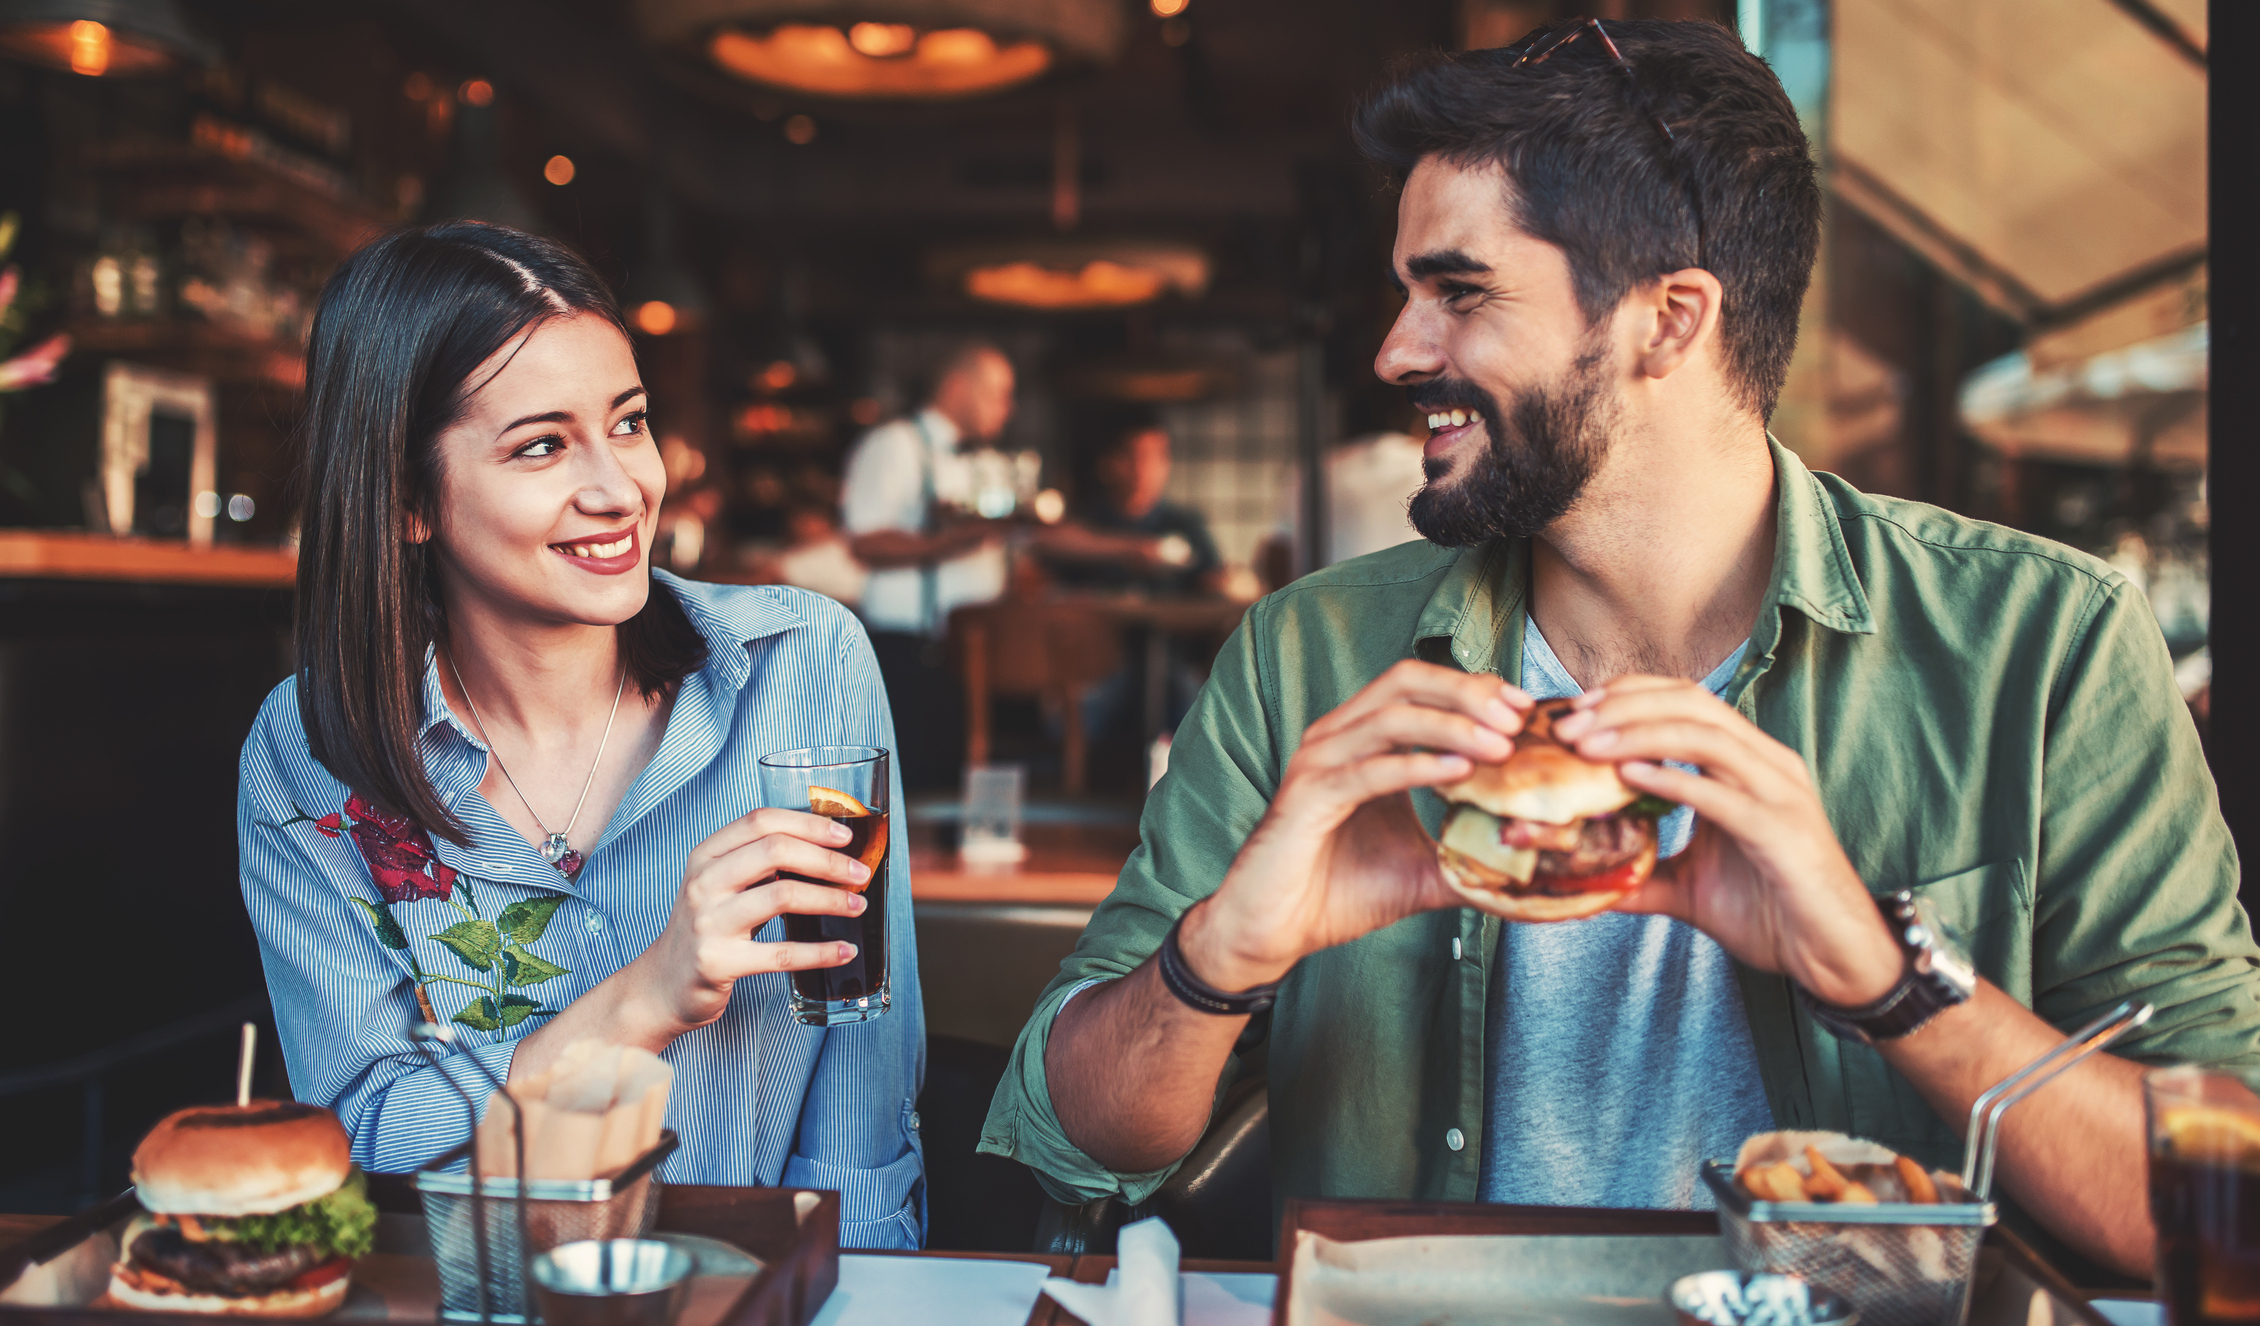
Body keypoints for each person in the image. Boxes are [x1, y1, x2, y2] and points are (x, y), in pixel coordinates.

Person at [980, 20, 2255, 1279]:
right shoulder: (1307, 656)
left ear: (1668, 319)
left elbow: (2222, 1209)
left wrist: (1885, 978)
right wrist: (1215, 962)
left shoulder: (2043, 647)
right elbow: (1072, 1143)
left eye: (1459, 290)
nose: (1395, 350)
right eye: (1405, 292)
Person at [238, 222, 926, 1249]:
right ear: (407, 498)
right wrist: (641, 1000)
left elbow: (860, 1094)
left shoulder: (804, 664)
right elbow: (366, 1138)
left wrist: (860, 1290)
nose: (620, 490)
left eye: (630, 422)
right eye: (542, 445)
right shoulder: (307, 752)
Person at [840, 343, 1016, 790]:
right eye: (997, 393)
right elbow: (866, 542)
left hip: (975, 651)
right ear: (957, 387)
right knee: (913, 788)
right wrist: (952, 543)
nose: (1007, 408)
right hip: (913, 649)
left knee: (964, 784)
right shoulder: (894, 445)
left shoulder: (985, 459)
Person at [1045, 409, 1225, 598]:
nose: (1142, 468)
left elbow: (1213, 581)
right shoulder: (1084, 523)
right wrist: (1133, 549)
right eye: (1132, 455)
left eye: (1155, 456)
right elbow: (1048, 578)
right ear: (1107, 461)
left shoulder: (1186, 524)